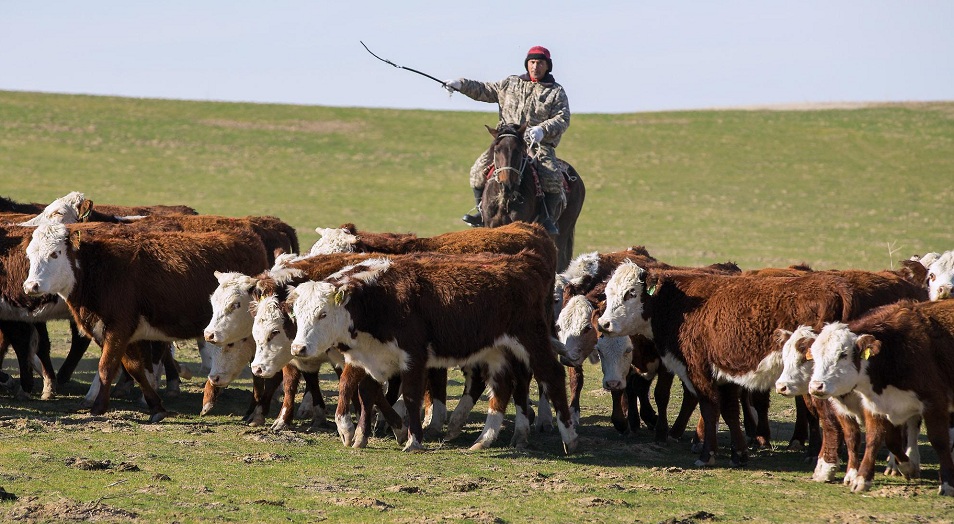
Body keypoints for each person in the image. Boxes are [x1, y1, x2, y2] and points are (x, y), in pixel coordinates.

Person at [445, 45, 569, 234]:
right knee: (477, 170)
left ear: (547, 66)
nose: (535, 66)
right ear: (527, 64)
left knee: (552, 177)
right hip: (507, 139)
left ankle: (546, 218)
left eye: (540, 63)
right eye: (532, 62)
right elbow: (485, 90)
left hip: (537, 142)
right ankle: (481, 213)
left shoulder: (555, 92)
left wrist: (542, 130)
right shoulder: (510, 83)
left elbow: (562, 118)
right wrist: (460, 85)